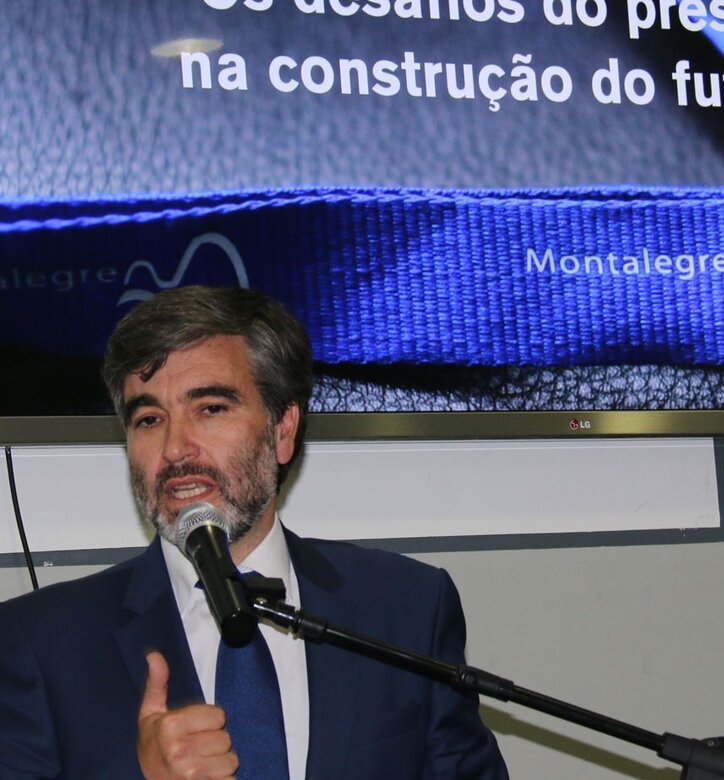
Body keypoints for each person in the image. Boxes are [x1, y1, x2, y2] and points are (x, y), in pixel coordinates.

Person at [0, 285, 509, 779]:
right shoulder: (39, 643)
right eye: (149, 419)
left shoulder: (406, 609)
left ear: (282, 429)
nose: (175, 448)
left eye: (210, 409)